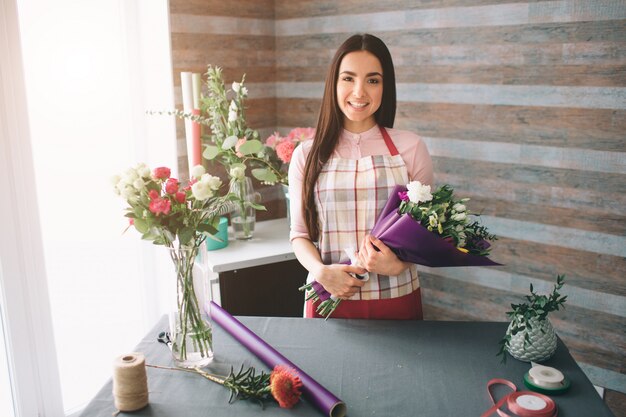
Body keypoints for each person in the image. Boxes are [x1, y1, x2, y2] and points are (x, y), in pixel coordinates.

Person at [288, 33, 434, 319]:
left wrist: (399, 265)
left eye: (372, 80)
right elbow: (300, 235)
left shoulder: (411, 147)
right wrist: (321, 272)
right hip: (328, 297)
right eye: (348, 78)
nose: (359, 92)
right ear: (334, 84)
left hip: (397, 296)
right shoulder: (306, 155)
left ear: (385, 86)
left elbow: (425, 231)